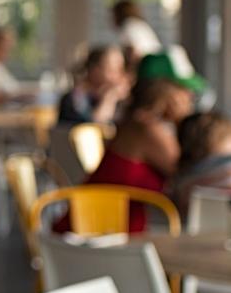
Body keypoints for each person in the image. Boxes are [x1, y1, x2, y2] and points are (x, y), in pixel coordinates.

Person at [69, 78, 193, 233]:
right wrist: (185, 123)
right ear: (170, 100)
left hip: (102, 225)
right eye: (185, 100)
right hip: (96, 231)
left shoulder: (136, 123)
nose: (189, 106)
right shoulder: (147, 129)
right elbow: (187, 171)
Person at [57, 46, 128, 126]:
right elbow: (93, 128)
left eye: (121, 69)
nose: (118, 76)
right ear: (94, 69)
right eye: (111, 70)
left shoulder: (122, 99)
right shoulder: (76, 98)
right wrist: (109, 98)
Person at [112, 0, 162, 68]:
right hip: (157, 65)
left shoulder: (128, 26)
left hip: (147, 68)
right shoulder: (140, 25)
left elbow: (133, 53)